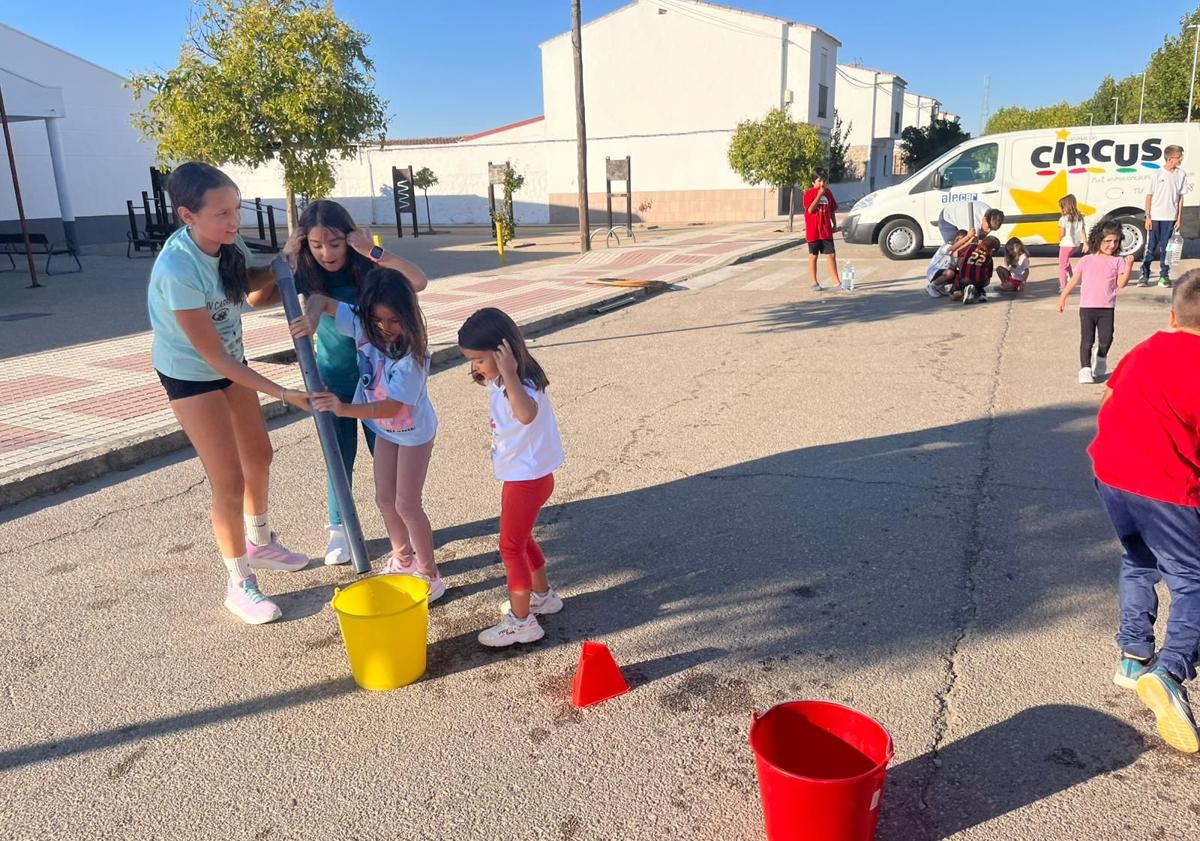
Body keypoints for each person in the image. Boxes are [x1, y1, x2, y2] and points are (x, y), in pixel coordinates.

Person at [147, 162, 313, 625]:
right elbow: (214, 358)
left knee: (259, 454)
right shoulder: (178, 268)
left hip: (229, 365)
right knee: (228, 480)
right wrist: (284, 392)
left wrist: (285, 273)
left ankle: (259, 542)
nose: (234, 221)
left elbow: (248, 296)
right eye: (222, 213)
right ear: (187, 215)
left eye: (236, 209)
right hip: (191, 374)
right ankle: (239, 584)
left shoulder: (226, 242)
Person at [1087, 270, 1200, 754]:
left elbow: (1109, 397)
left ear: (1173, 315)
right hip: (1168, 490)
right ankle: (1171, 670)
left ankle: (1133, 656)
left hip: (1111, 474)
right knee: (1191, 577)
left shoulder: (1149, 347)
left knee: (1138, 561)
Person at [285, 200, 430, 565]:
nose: (326, 253)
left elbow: (417, 280)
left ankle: (408, 535)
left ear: (348, 238)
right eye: (316, 245)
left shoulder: (368, 265)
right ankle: (341, 530)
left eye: (334, 243)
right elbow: (258, 297)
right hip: (332, 376)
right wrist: (287, 254)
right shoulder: (304, 269)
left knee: (389, 464)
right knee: (338, 455)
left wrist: (372, 250)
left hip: (379, 383)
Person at [295, 269, 444, 601]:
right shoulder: (364, 323)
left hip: (412, 432)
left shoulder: (412, 359)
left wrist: (344, 408)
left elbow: (391, 407)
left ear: (409, 316)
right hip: (385, 429)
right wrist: (312, 319)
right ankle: (403, 557)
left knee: (407, 504)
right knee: (384, 499)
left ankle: (430, 573)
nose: (384, 329)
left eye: (394, 320)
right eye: (377, 320)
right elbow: (320, 300)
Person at [458, 308, 566, 647]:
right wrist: (499, 373)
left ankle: (522, 622)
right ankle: (543, 596)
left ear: (504, 353)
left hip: (526, 480)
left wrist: (509, 374)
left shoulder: (522, 388)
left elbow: (526, 413)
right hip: (528, 477)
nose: (475, 367)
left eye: (478, 359)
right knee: (521, 539)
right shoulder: (503, 381)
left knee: (510, 547)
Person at [1057, 221, 1134, 383]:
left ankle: (1101, 357)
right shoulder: (1086, 260)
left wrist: (1128, 267)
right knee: (1087, 340)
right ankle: (1085, 369)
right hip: (1087, 307)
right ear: (1098, 239)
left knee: (1107, 338)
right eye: (1107, 241)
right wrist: (1063, 297)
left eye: (1116, 241)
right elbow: (1074, 280)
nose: (1112, 245)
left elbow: (1121, 284)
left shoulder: (1117, 261)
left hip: (1107, 308)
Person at [1141, 145, 1187, 288]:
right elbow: (1149, 196)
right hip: (1155, 217)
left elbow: (1180, 198)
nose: (1181, 159)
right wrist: (1148, 217)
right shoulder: (1157, 174)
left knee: (1167, 248)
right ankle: (1145, 275)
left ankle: (1164, 276)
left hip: (1171, 218)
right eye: (1179, 156)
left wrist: (1179, 218)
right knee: (1151, 247)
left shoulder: (1181, 174)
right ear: (1170, 158)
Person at [802, 168, 842, 292]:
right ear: (813, 181)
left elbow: (831, 210)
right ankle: (814, 282)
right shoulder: (808, 194)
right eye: (819, 181)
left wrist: (834, 224)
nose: (822, 184)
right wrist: (819, 195)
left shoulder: (828, 193)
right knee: (813, 256)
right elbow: (810, 209)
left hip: (825, 230)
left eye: (824, 181)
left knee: (831, 255)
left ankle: (836, 281)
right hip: (813, 231)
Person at [954, 235, 1000, 304]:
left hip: (963, 279)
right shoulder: (989, 258)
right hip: (978, 281)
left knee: (962, 278)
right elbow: (988, 280)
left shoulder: (970, 247)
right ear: (992, 249)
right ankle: (980, 293)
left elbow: (956, 254)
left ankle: (964, 291)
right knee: (981, 281)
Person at [925, 229, 971, 298]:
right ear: (957, 240)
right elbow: (951, 250)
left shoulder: (961, 252)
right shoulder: (947, 246)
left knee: (963, 275)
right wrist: (968, 237)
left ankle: (942, 287)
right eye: (962, 242)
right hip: (935, 272)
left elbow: (961, 266)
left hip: (946, 272)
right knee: (950, 273)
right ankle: (932, 286)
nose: (963, 245)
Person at [1058, 194, 1088, 293]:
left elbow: (1062, 233)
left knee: (1062, 265)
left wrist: (1059, 238)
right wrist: (1085, 243)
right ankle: (1071, 278)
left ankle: (1063, 286)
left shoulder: (1063, 219)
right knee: (1066, 262)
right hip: (1075, 244)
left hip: (1065, 244)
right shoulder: (1079, 217)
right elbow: (1082, 231)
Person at [938, 202, 1004, 245]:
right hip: (947, 218)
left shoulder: (992, 214)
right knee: (954, 248)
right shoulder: (973, 222)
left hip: (960, 214)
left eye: (992, 229)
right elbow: (967, 242)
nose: (988, 231)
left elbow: (980, 239)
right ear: (984, 219)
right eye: (989, 227)